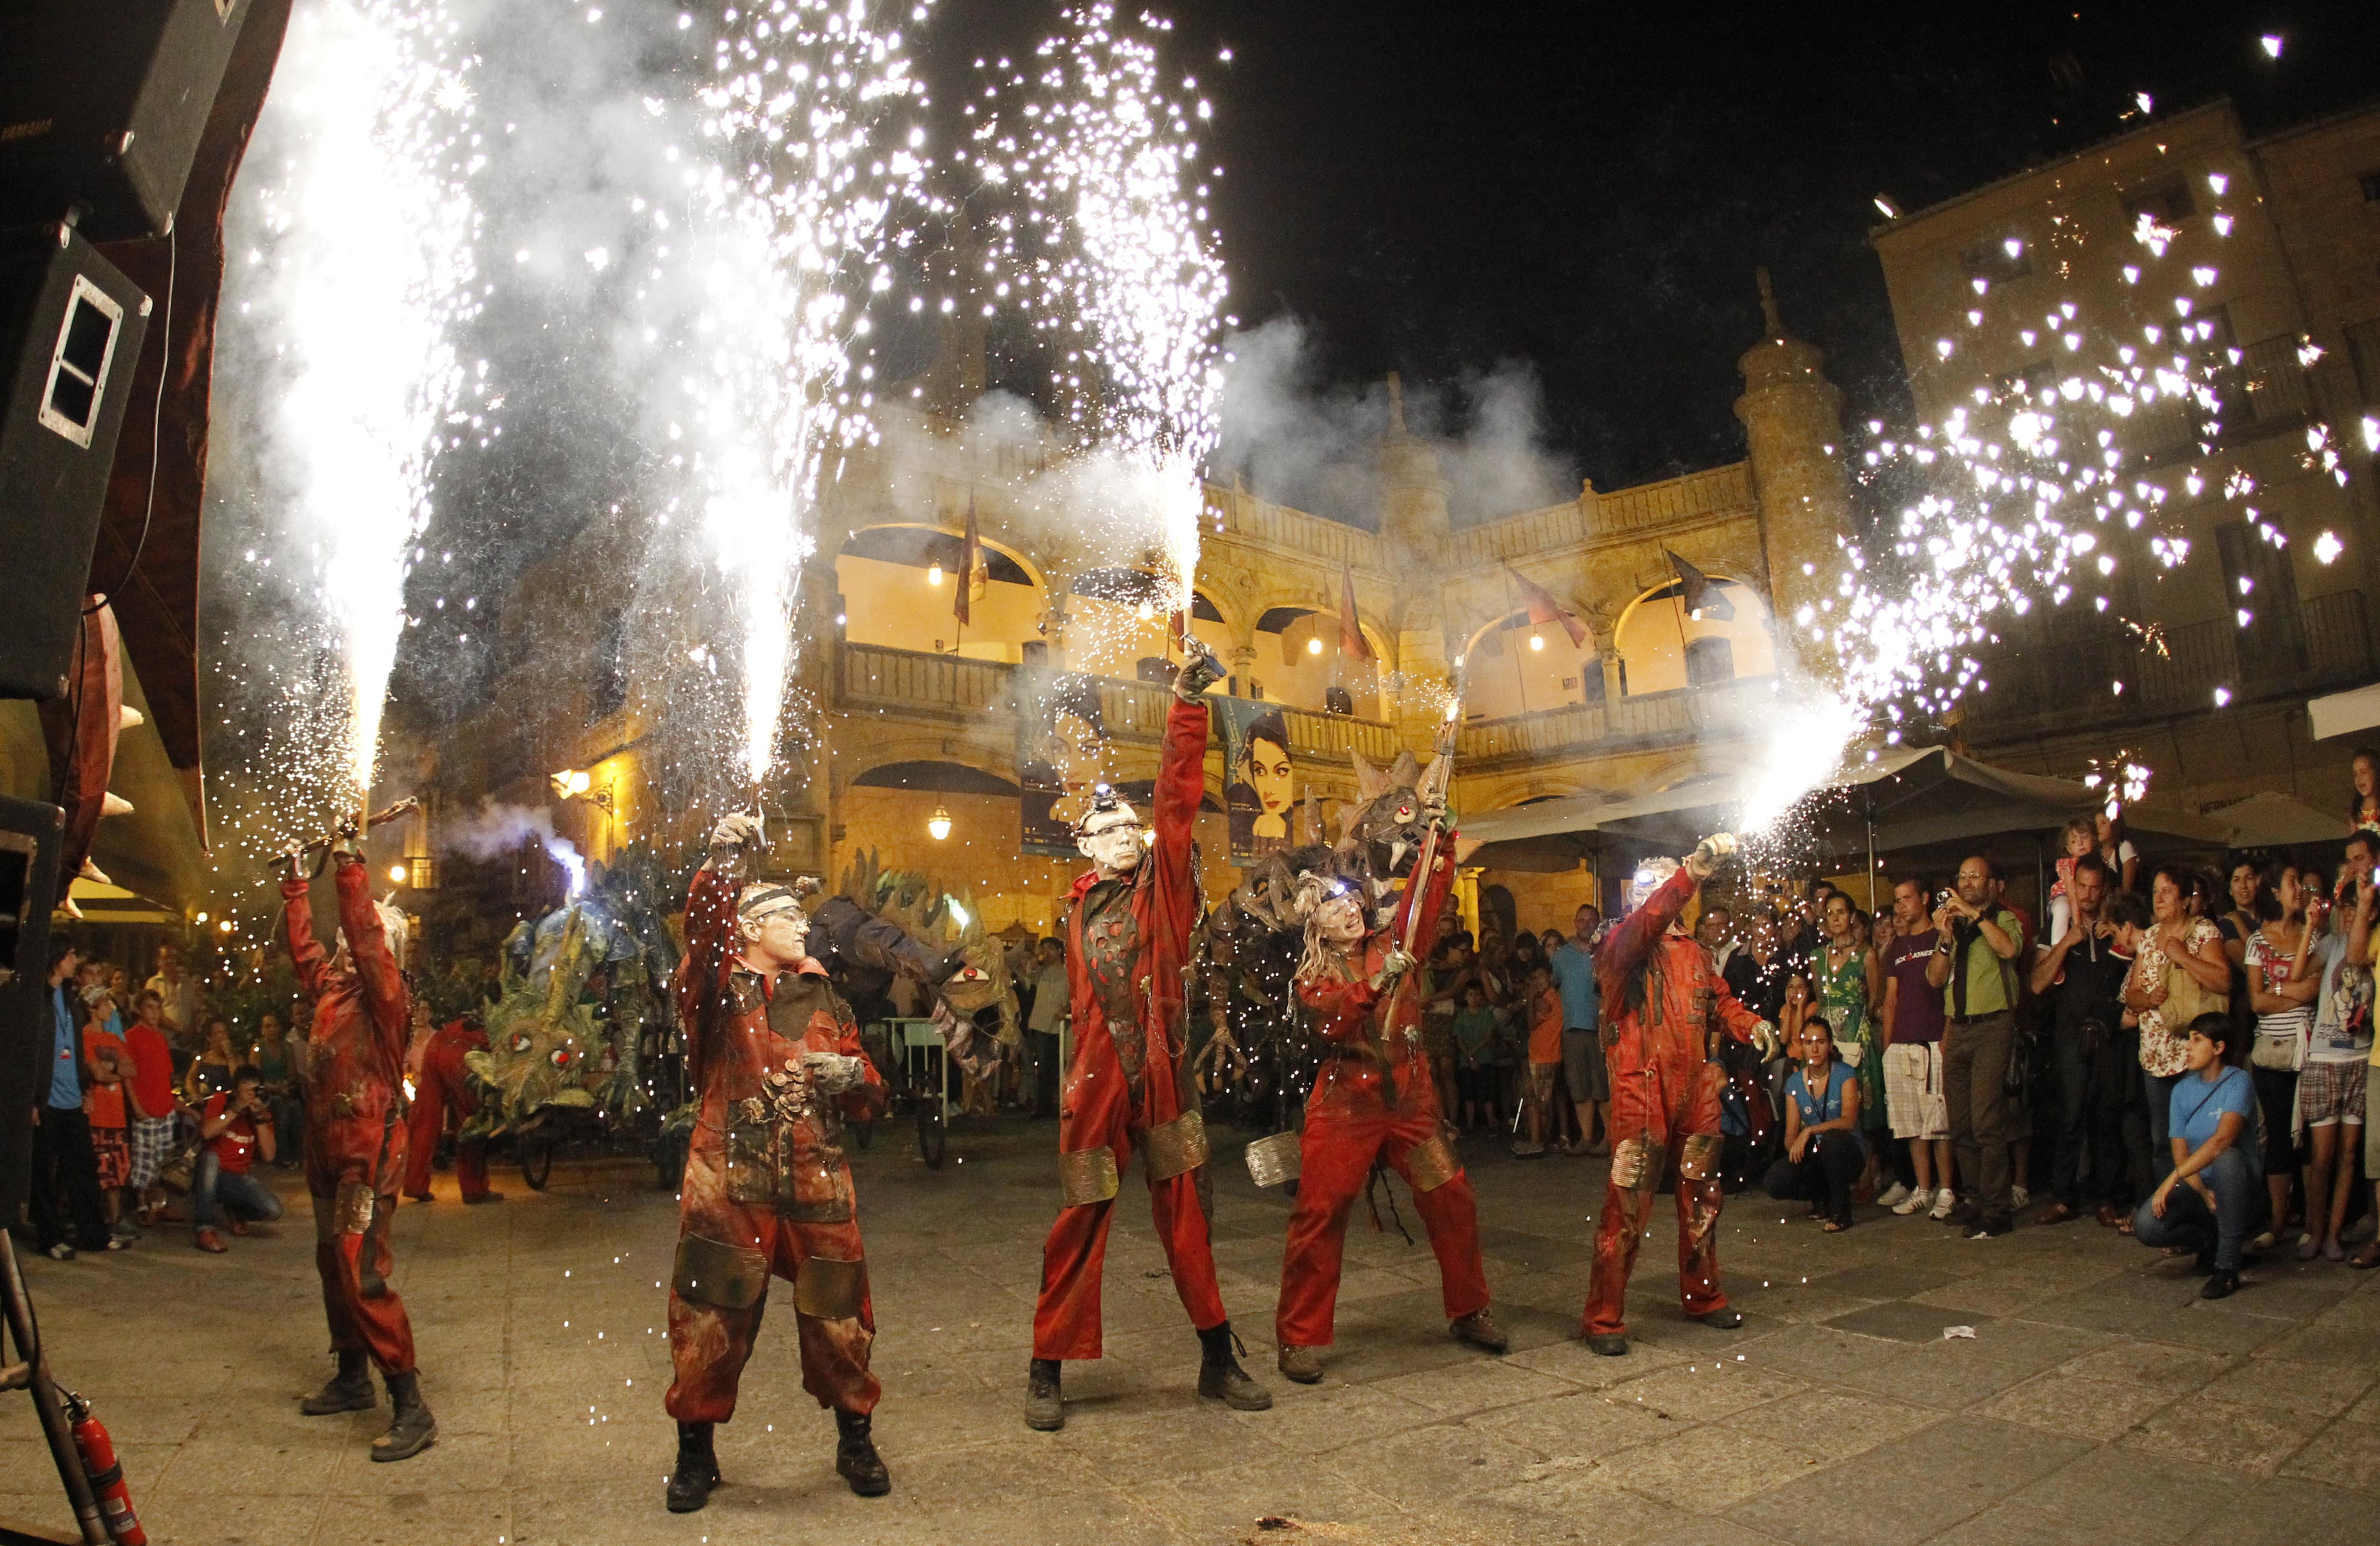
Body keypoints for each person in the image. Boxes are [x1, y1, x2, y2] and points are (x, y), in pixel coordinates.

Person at [1026, 636, 1268, 1432]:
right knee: (1081, 1216)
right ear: (1086, 845)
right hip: (1095, 1084)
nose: (1126, 831)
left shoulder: (1163, 889)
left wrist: (1188, 710)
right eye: (1108, 827)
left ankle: (1215, 1357)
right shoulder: (1080, 901)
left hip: (1163, 1077)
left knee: (1187, 1218)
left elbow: (1175, 800)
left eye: (1131, 824)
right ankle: (1045, 1366)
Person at [662, 813, 891, 1510]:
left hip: (817, 1176)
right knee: (710, 1317)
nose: (803, 923)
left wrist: (851, 1078)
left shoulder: (821, 993)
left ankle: (856, 1436)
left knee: (840, 1316)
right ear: (749, 927)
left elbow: (870, 1087)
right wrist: (723, 859)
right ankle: (695, 1454)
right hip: (729, 1183)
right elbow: (701, 933)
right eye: (788, 913)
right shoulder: (711, 991)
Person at [1272, 828, 1504, 1385]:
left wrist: (1438, 845)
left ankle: (1469, 1308)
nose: (1347, 908)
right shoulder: (1312, 976)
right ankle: (1298, 1336)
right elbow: (1332, 1020)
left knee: (1451, 1198)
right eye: (1331, 905)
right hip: (1345, 1108)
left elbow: (1426, 895)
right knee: (1320, 1215)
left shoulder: (1396, 942)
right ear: (1315, 924)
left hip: (1411, 1106)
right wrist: (1376, 983)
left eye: (1349, 898)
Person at [1580, 836, 1779, 1357]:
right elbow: (1646, 923)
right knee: (1627, 1205)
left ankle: (1704, 1296)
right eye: (1658, 885)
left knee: (1703, 1201)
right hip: (1639, 1089)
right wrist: (1688, 873)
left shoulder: (1695, 954)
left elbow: (1719, 1002)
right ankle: (1603, 1317)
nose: (1669, 895)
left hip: (1693, 1089)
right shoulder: (1619, 948)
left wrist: (1750, 1024)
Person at [282, 836, 437, 1462]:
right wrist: (296, 885)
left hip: (366, 1148)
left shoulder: (384, 995)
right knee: (331, 1260)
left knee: (359, 1263)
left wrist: (349, 868)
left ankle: (410, 1402)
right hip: (325, 1143)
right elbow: (305, 950)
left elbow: (365, 938)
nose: (347, 942)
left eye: (362, 935)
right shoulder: (332, 985)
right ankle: (351, 1375)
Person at [2031, 856, 2135, 1228]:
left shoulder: (2117, 926)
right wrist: (2065, 944)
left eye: (2095, 887)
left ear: (2104, 888)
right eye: (2083, 887)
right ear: (2072, 885)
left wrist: (2121, 940)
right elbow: (2037, 983)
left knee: (2107, 1118)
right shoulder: (2058, 925)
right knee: (2070, 1117)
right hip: (2069, 1035)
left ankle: (2108, 1198)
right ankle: (2064, 1197)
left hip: (2110, 1034)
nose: (2089, 895)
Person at [1925, 856, 2025, 1238]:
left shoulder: (2002, 918)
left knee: (1986, 1121)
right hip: (1959, 1028)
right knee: (1960, 1124)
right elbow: (1934, 979)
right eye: (1961, 876)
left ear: (1990, 883)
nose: (1966, 882)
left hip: (1993, 1025)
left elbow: (2008, 950)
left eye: (1974, 876)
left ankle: (1997, 1210)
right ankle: (1975, 1200)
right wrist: (1946, 937)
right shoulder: (1955, 925)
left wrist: (1973, 914)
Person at [2131, 1014, 2261, 1299]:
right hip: (2201, 1188)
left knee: (2227, 1159)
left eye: (2197, 1040)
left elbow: (2223, 1139)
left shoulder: (2239, 1082)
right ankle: (2210, 1243)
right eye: (2189, 1038)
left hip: (2239, 1188)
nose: (2188, 1047)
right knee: (2146, 1225)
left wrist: (2173, 1178)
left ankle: (2227, 1269)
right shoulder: (2182, 1091)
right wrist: (2201, 1192)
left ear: (2219, 1048)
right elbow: (2180, 1154)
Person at [2124, 864, 2234, 1187]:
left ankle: (2206, 1211)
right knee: (2163, 1142)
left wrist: (2182, 955)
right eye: (2156, 891)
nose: (2158, 898)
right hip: (2155, 1057)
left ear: (2186, 900)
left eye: (2167, 892)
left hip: (2192, 1054)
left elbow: (2224, 981)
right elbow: (2132, 996)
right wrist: (2149, 998)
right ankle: (2170, 1211)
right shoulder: (2147, 939)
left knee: (2199, 1137)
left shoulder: (2205, 932)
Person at [2295, 850, 2372, 1263]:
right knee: (2321, 1156)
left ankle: (2334, 1233)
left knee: (2348, 1155)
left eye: (2355, 907)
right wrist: (2310, 926)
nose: (2348, 914)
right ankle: (2313, 1226)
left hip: (2359, 1056)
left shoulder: (2371, 942)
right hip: (2324, 1056)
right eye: (2343, 907)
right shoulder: (2330, 943)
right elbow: (2295, 973)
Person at [2244, 863, 2319, 1254]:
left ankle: (2310, 1218)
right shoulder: (2257, 942)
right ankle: (2276, 1219)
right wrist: (2295, 989)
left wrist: (2281, 988)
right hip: (2271, 1053)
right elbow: (2256, 1001)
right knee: (2276, 1135)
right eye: (2293, 882)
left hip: (2307, 1051)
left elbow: (2314, 990)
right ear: (2274, 890)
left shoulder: (2316, 937)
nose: (2300, 889)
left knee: (2306, 1137)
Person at [31, 940, 114, 1260]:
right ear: (57, 960)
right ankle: (50, 1237)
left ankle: (94, 1234)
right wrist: (30, 1102)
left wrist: (85, 1088)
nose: (75, 961)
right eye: (71, 955)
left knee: (83, 1168)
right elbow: (27, 1052)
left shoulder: (70, 998)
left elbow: (76, 1048)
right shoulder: (37, 998)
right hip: (45, 1101)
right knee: (44, 1172)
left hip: (71, 1099)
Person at [1879, 877, 1956, 1220]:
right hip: (1901, 1043)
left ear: (1924, 899)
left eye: (1906, 899)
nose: (1901, 906)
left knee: (1938, 1122)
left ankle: (1947, 1189)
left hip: (1933, 1039)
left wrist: (1947, 1036)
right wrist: (1887, 1049)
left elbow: (1951, 992)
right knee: (1910, 1123)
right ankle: (1922, 1189)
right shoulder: (1897, 947)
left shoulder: (1940, 937)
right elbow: (1891, 999)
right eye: (1897, 900)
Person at [1813, 892, 1886, 1200]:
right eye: (1830, 913)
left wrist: (1860, 1024)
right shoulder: (1818, 957)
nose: (1836, 918)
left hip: (1857, 1032)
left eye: (1841, 912)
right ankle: (1833, 1178)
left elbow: (1876, 997)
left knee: (1863, 1107)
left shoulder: (1866, 954)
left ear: (1852, 916)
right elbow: (1819, 998)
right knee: (1831, 1104)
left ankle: (1870, 1173)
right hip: (1829, 1037)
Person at [1762, 1016, 1865, 1230]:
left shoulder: (1845, 1073)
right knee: (1774, 1180)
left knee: (1832, 1140)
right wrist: (1800, 1151)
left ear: (1829, 1045)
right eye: (1809, 1043)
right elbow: (1790, 1137)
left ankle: (1841, 1213)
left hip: (1846, 1150)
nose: (1815, 1049)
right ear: (1802, 1047)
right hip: (1817, 1153)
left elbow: (1849, 1121)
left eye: (1821, 1042)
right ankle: (1821, 1198)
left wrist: (1810, 1130)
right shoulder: (1795, 1083)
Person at [403, 1014, 499, 1205]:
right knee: (472, 1121)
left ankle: (415, 1185)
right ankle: (474, 1189)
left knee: (426, 1117)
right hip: (462, 1053)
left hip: (439, 1044)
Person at [193, 1066, 285, 1253]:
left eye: (256, 1090)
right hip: (208, 1174)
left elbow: (269, 1156)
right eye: (247, 1090)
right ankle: (205, 1228)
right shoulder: (222, 1101)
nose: (252, 1095)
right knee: (211, 1158)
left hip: (236, 1178)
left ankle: (235, 1212)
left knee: (273, 1209)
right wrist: (236, 1108)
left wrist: (259, 1117)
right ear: (236, 1090)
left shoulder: (261, 1113)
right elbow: (207, 1132)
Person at [1548, 904, 1608, 1156]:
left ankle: (1610, 1138)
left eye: (1590, 920)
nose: (1586, 924)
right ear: (1575, 923)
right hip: (1573, 1030)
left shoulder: (1607, 951)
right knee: (1580, 1087)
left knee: (1603, 1088)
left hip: (1602, 1030)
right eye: (1581, 920)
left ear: (1598, 922)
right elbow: (1552, 986)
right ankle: (1586, 1138)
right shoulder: (1562, 956)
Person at [81, 987, 137, 1247]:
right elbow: (97, 1074)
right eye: (106, 1004)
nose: (111, 1009)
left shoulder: (114, 1040)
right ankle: (92, 1220)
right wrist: (113, 1071)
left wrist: (110, 1069)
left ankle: (115, 1221)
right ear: (93, 1008)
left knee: (117, 1170)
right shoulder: (84, 1037)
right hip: (97, 1115)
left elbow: (131, 1068)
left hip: (116, 1115)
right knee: (97, 1170)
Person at [121, 991, 179, 1229]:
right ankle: (142, 1204)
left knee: (162, 1159)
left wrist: (173, 1104)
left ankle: (159, 1204)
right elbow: (127, 1077)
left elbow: (165, 1075)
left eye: (158, 1007)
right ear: (139, 1010)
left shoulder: (160, 1038)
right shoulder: (131, 1037)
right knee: (143, 1159)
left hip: (164, 1107)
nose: (155, 1013)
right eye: (150, 1007)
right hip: (145, 1107)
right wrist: (136, 1105)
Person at [1515, 965, 1563, 1158]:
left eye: (1541, 976)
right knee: (1533, 1098)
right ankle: (1537, 1139)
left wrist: (1530, 1000)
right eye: (1534, 977)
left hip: (1546, 1056)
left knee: (1541, 1101)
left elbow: (1532, 1022)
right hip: (1539, 1055)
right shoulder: (1544, 999)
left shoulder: (1548, 1000)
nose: (1538, 981)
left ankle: (1540, 1141)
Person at [1022, 937, 1067, 1118]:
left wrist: (1066, 1008)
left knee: (1058, 1066)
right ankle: (1043, 1106)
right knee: (1043, 1067)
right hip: (1041, 1024)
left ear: (1059, 952)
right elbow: (1029, 972)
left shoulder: (1067, 973)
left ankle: (1057, 1103)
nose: (1046, 952)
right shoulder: (1041, 972)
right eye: (1044, 948)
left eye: (1050, 949)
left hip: (1060, 1026)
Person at [1450, 983, 1505, 1133]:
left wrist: (1472, 1052)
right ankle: (1470, 1124)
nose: (1474, 998)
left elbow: (1489, 1036)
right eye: (1471, 995)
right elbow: (1459, 1038)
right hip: (1467, 1060)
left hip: (1484, 1057)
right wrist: (1468, 1054)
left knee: (1487, 1091)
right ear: (1466, 997)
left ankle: (1491, 1122)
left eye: (1478, 995)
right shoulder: (1462, 1016)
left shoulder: (1487, 1014)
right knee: (1469, 1093)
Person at [252, 1011, 304, 1165]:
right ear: (262, 1029)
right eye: (268, 1026)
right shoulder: (257, 1049)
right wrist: (273, 1088)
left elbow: (292, 1073)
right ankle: (282, 1156)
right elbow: (255, 1077)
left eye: (275, 1026)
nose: (272, 1030)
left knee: (298, 1111)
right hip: (265, 1092)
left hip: (284, 1089)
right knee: (282, 1110)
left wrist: (284, 1086)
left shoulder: (287, 1047)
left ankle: (300, 1155)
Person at [2045, 817, 2096, 943]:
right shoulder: (2068, 865)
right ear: (2069, 849)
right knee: (2062, 908)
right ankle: (2058, 944)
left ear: (2093, 840)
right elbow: (2072, 896)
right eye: (2074, 841)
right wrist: (2078, 925)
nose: (2080, 843)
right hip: (2067, 895)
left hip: (2088, 898)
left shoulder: (2099, 864)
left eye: (2084, 838)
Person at [145, 945, 202, 1040]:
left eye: (173, 958)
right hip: (164, 1041)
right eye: (166, 958)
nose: (170, 961)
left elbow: (196, 1010)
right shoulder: (153, 983)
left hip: (187, 1044)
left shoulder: (187, 982)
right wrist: (179, 1029)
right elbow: (153, 1013)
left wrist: (191, 1031)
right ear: (159, 961)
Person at [183, 1013, 238, 1103]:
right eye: (217, 1033)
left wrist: (229, 1055)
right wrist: (194, 1093)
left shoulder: (236, 1058)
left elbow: (236, 1079)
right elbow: (190, 1079)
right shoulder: (202, 1058)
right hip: (205, 1100)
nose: (222, 1036)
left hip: (227, 1101)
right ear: (209, 1037)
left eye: (224, 1032)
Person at [2096, 808, 2140, 894]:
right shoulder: (2097, 853)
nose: (2098, 828)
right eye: (2096, 824)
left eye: (2103, 823)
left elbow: (2127, 889)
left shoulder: (2124, 847)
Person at [2349, 746, 2380, 836]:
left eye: (2364, 772)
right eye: (2355, 774)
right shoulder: (2355, 811)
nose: (2359, 779)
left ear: (2376, 773)